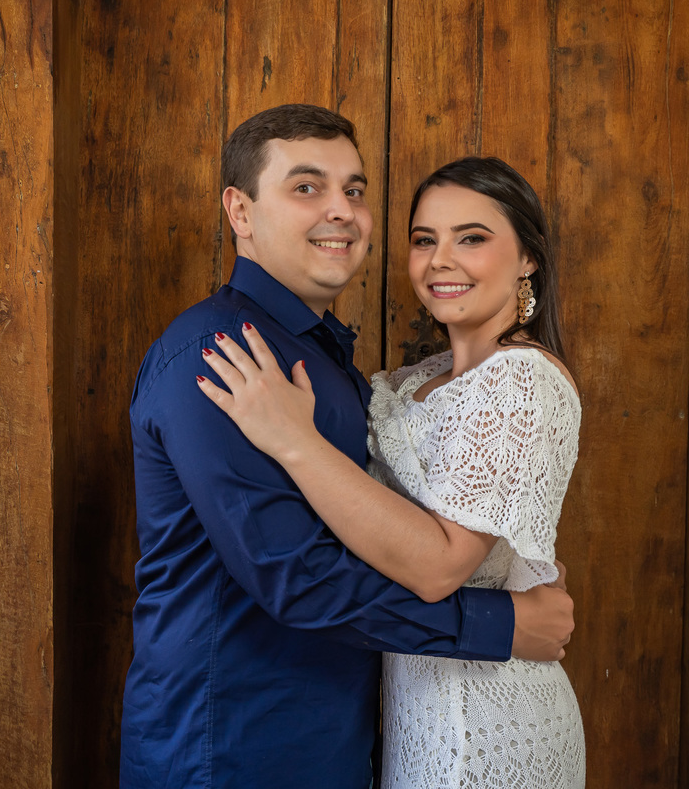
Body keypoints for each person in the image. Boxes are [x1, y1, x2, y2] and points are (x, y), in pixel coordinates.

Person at [121, 105, 575, 788]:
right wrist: (497, 626)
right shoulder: (221, 357)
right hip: (230, 745)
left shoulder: (330, 363)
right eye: (306, 187)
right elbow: (297, 575)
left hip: (336, 740)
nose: (341, 211)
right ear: (240, 212)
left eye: (354, 190)